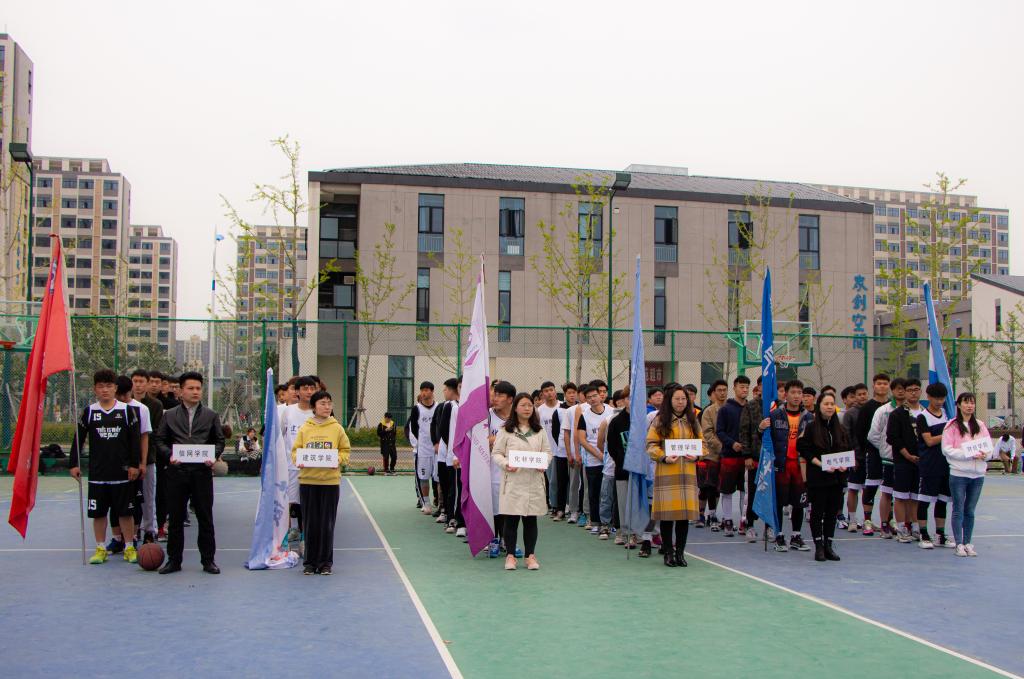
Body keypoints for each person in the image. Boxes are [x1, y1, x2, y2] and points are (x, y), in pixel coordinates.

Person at [152, 371, 226, 574]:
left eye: (198, 388)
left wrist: (213, 455)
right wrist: (169, 455)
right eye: (191, 388)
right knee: (175, 519)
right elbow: (160, 440)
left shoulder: (211, 415)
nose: (195, 392)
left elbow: (219, 440)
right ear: (181, 391)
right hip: (177, 472)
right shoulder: (169, 415)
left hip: (202, 473)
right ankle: (174, 561)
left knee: (205, 517)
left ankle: (208, 561)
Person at [69, 369, 142, 565]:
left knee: (125, 512)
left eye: (109, 386)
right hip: (98, 473)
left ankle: (129, 547)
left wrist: (134, 464)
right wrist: (74, 463)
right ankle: (100, 548)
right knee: (98, 513)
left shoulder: (127, 411)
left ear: (115, 388)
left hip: (122, 472)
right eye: (100, 386)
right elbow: (79, 438)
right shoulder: (89, 412)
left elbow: (135, 440)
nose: (105, 390)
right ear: (95, 389)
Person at [292, 391, 351, 575]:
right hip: (308, 481)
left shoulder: (337, 428)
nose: (327, 407)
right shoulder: (305, 428)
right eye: (322, 403)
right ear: (314, 406)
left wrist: (338, 459)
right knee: (310, 523)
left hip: (330, 483)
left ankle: (325, 563)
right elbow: (295, 451)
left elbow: (345, 450)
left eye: (329, 403)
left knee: (327, 523)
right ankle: (310, 563)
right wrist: (298, 459)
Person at [492, 392, 552, 570]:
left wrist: (544, 463)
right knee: (511, 519)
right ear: (515, 408)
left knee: (530, 520)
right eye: (523, 405)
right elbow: (496, 453)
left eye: (530, 405)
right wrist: (506, 464)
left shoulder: (539, 431)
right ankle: (510, 556)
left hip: (533, 481)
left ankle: (530, 556)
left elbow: (547, 452)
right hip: (513, 481)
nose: (527, 408)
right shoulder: (506, 430)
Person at [647, 384, 702, 567]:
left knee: (683, 516)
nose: (680, 402)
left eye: (684, 399)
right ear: (669, 401)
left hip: (687, 474)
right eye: (677, 399)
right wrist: (663, 456)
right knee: (667, 516)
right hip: (667, 473)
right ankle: (668, 553)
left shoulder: (692, 420)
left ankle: (680, 553)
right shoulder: (660, 420)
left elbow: (702, 443)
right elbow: (651, 444)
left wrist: (697, 455)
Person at [942, 393, 996, 557]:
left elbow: (989, 448)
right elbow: (946, 449)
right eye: (966, 402)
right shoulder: (951, 426)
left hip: (977, 475)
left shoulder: (980, 425)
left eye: (972, 403)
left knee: (970, 510)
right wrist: (968, 454)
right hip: (959, 473)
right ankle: (959, 544)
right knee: (958, 509)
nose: (969, 406)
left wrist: (985, 455)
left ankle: (968, 543)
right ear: (959, 405)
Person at [797, 391, 850, 562]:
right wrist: (819, 464)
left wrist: (844, 465)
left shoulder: (840, 429)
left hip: (837, 479)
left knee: (832, 513)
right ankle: (818, 546)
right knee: (817, 512)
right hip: (818, 478)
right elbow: (803, 448)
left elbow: (848, 450)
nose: (829, 407)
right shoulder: (811, 428)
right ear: (819, 406)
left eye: (831, 404)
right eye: (826, 404)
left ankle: (828, 545)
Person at [767, 379, 811, 552]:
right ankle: (778, 535)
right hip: (781, 464)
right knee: (779, 502)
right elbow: (766, 439)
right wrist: (760, 429)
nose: (796, 396)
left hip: (800, 466)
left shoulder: (808, 417)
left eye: (800, 393)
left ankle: (796, 536)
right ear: (786, 394)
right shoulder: (775, 415)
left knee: (799, 502)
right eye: (793, 392)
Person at [886, 377, 924, 543]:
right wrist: (907, 455)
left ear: (921, 391)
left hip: (921, 461)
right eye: (910, 390)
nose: (913, 393)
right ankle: (901, 529)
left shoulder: (925, 413)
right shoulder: (897, 414)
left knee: (915, 496)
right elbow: (892, 437)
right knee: (901, 496)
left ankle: (915, 527)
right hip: (902, 460)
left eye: (916, 389)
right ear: (905, 392)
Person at [282, 376, 317, 544]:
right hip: (292, 466)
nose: (309, 391)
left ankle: (307, 534)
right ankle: (290, 531)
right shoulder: (288, 411)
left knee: (309, 503)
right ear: (297, 391)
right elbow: (279, 436)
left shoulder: (318, 412)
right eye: (305, 388)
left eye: (312, 388)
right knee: (291, 501)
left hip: (313, 466)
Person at [854, 374, 890, 536]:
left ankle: (889, 520)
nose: (882, 386)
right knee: (871, 486)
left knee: (890, 488)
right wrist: (862, 453)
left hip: (890, 455)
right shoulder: (867, 408)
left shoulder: (893, 406)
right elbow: (860, 433)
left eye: (885, 383)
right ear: (874, 386)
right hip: (873, 453)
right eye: (879, 383)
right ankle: (867, 520)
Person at [577, 383, 613, 537]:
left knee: (609, 493)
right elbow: (582, 440)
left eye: (595, 395)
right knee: (594, 491)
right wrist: (599, 455)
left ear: (601, 395)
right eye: (589, 397)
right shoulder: (584, 416)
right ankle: (595, 522)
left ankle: (610, 523)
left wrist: (608, 455)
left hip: (611, 459)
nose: (592, 399)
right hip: (593, 460)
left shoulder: (611, 412)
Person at [716, 375, 750, 537]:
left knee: (745, 489)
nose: (745, 390)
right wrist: (732, 443)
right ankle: (728, 520)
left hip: (747, 457)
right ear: (735, 388)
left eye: (747, 387)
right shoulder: (725, 409)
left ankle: (744, 520)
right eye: (742, 387)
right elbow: (719, 431)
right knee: (727, 490)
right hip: (729, 455)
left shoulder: (751, 408)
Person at [603, 385, 637, 548]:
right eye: (628, 398)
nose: (631, 401)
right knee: (622, 501)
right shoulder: (616, 421)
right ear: (623, 400)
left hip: (640, 470)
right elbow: (611, 445)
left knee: (639, 502)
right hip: (622, 468)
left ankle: (639, 533)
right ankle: (624, 532)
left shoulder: (643, 420)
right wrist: (621, 461)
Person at [489, 380, 517, 557]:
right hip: (492, 468)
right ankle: (493, 539)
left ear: (510, 399)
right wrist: (501, 439)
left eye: (500, 395)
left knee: (510, 507)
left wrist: (497, 440)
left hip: (513, 470)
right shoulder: (487, 416)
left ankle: (507, 540)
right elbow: (481, 439)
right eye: (495, 394)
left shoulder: (519, 417)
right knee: (494, 507)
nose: (495, 398)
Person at [738, 376, 767, 542]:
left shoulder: (779, 407)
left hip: (773, 459)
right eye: (764, 385)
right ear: (759, 387)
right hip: (755, 457)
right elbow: (744, 432)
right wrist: (747, 455)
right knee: (753, 493)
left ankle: (770, 527)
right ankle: (749, 524)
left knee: (772, 495)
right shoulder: (751, 406)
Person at [698, 379, 727, 529]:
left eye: (724, 390)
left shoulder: (731, 408)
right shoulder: (708, 411)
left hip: (728, 454)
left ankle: (717, 516)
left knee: (721, 487)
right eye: (719, 390)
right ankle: (705, 514)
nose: (722, 393)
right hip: (711, 454)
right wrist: (722, 447)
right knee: (708, 486)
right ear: (713, 393)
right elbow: (707, 433)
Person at [432, 378, 460, 529]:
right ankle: (448, 515)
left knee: (453, 487)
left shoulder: (455, 406)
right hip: (447, 454)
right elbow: (442, 428)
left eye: (445, 389)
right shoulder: (447, 406)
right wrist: (452, 446)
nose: (443, 392)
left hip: (454, 454)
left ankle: (453, 516)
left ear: (451, 390)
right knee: (447, 486)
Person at [840, 383, 868, 531]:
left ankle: (868, 520)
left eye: (864, 393)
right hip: (856, 457)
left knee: (869, 489)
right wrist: (853, 457)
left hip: (871, 457)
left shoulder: (872, 410)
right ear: (855, 396)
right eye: (859, 394)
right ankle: (852, 519)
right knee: (853, 489)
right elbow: (846, 436)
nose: (862, 396)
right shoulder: (850, 414)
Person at [409, 381, 439, 515]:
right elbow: (414, 428)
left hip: (437, 449)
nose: (424, 393)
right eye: (422, 390)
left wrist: (436, 441)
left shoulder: (438, 407)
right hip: (423, 450)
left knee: (439, 478)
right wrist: (422, 441)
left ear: (432, 392)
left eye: (426, 390)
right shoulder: (416, 409)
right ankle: (426, 503)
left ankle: (441, 504)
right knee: (423, 477)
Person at [549, 382, 576, 521]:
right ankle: (560, 509)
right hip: (561, 452)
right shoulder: (558, 411)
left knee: (575, 483)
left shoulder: (580, 409)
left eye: (574, 393)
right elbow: (555, 432)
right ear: (564, 395)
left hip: (576, 452)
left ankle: (574, 510)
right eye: (569, 393)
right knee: (561, 481)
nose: (572, 395)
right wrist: (563, 445)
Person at [560, 382, 585, 526]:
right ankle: (573, 511)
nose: (586, 397)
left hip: (592, 455)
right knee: (574, 483)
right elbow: (566, 433)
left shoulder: (601, 409)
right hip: (575, 454)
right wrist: (569, 454)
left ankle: (586, 513)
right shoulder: (571, 411)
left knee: (587, 485)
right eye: (584, 394)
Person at [536, 381, 562, 517]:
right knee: (552, 481)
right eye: (546, 391)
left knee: (564, 480)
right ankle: (554, 505)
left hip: (563, 450)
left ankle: (566, 506)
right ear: (542, 394)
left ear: (555, 391)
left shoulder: (562, 407)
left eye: (551, 390)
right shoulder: (539, 411)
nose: (549, 393)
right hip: (548, 451)